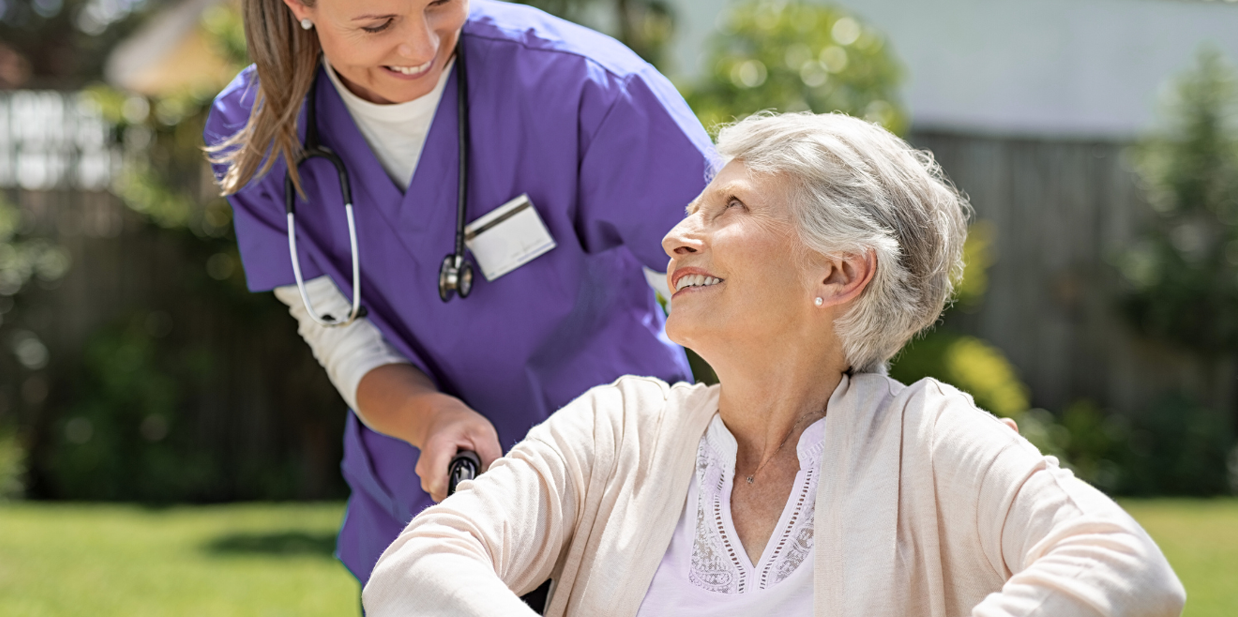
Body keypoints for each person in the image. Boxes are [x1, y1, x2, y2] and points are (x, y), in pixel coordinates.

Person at [363, 111, 1186, 617]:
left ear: (839, 272)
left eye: (729, 209)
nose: (679, 235)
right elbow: (416, 571)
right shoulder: (618, 427)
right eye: (691, 209)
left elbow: (1129, 569)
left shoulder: (930, 439)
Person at [202, 0, 717, 588]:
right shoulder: (255, 136)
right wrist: (429, 419)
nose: (420, 47)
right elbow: (339, 335)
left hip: (622, 507)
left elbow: (743, 281)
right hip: (426, 521)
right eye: (377, 24)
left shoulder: (585, 94)